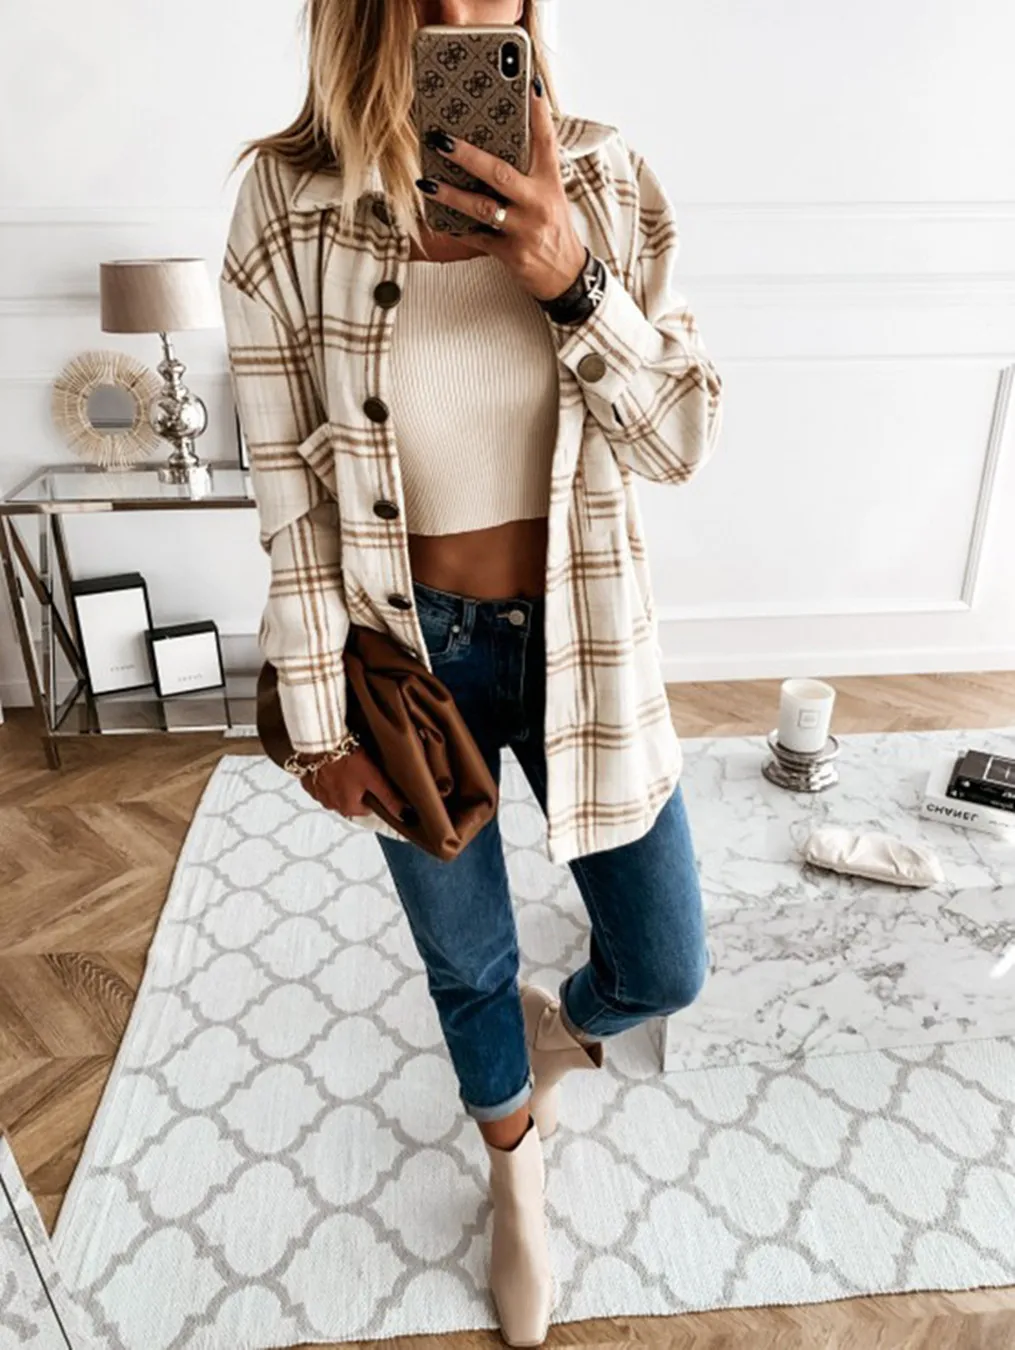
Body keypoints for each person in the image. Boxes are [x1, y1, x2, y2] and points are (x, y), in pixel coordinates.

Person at [220, 1, 723, 1342]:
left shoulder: (604, 179)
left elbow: (679, 439)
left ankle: (557, 1037)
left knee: (665, 962)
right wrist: (316, 725)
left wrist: (572, 278)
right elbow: (285, 495)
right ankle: (514, 1173)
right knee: (467, 959)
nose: (456, 16)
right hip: (407, 660)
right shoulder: (285, 206)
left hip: (584, 638)